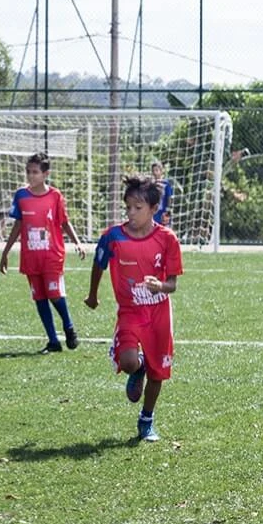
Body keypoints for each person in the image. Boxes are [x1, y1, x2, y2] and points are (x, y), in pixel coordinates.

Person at [84, 175, 183, 442]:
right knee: (128, 362)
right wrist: (93, 295)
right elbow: (99, 263)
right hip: (129, 311)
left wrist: (159, 286)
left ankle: (146, 420)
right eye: (128, 207)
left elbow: (172, 284)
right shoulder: (113, 236)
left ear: (154, 209)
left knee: (158, 372)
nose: (131, 213)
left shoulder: (167, 239)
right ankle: (136, 368)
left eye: (137, 208)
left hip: (159, 313)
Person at [0, 152, 86, 353]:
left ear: (46, 174)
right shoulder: (21, 195)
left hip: (52, 254)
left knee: (54, 293)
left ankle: (69, 326)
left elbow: (64, 222)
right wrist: (5, 252)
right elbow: (18, 225)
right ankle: (53, 341)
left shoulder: (55, 196)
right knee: (39, 297)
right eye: (28, 172)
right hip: (31, 256)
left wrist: (78, 243)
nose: (31, 176)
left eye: (35, 172)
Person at [151, 161, 173, 225]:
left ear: (161, 171)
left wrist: (168, 211)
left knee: (164, 230)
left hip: (163, 213)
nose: (154, 172)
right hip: (154, 213)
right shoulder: (151, 184)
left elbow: (169, 197)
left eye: (156, 170)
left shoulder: (166, 184)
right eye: (153, 171)